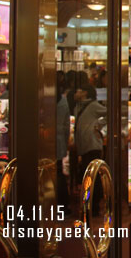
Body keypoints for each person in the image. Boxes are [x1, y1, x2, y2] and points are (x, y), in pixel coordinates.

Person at [74, 83, 107, 214]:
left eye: (79, 90)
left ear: (85, 93)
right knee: (88, 174)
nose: (76, 92)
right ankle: (90, 203)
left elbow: (111, 111)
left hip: (92, 144)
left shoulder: (92, 106)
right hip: (85, 145)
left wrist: (99, 125)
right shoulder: (79, 106)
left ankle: (94, 204)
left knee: (93, 175)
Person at [56, 71, 71, 212]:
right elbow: (67, 124)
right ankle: (63, 206)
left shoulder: (43, 99)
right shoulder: (63, 101)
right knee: (59, 173)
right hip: (59, 140)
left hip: (46, 141)